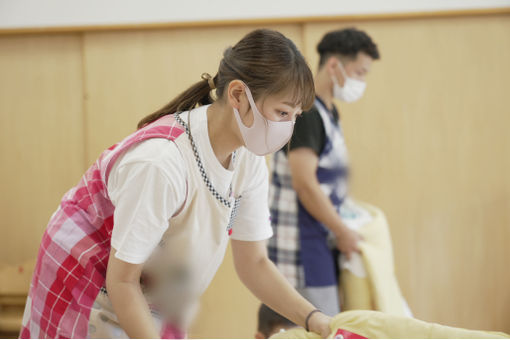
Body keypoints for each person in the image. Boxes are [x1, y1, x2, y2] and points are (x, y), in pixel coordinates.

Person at [19, 29, 333, 339]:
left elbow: (255, 262)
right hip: (86, 286)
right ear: (238, 95)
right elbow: (123, 283)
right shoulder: (161, 163)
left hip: (149, 290)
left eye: (294, 116)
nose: (287, 128)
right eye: (281, 112)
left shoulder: (248, 159)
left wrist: (315, 319)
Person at [267, 27, 380, 316]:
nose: (362, 81)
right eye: (359, 72)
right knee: (316, 325)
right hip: (302, 247)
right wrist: (342, 231)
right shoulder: (306, 115)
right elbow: (304, 184)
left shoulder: (328, 112)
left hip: (320, 238)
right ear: (334, 66)